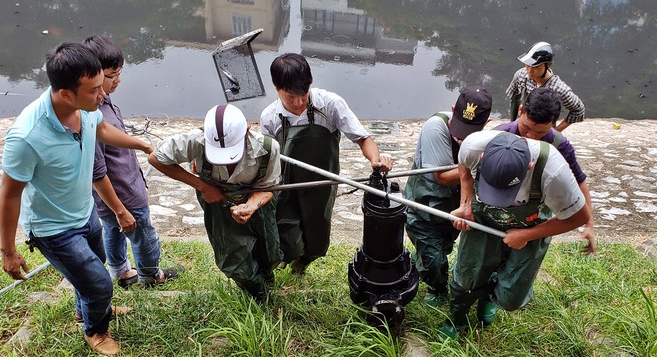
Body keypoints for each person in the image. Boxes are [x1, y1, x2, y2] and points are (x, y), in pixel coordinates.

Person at [0, 43, 154, 356]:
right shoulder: (27, 136)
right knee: (100, 284)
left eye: (103, 86)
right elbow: (9, 195)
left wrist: (138, 143)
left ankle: (86, 311)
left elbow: (103, 128)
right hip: (52, 228)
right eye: (95, 90)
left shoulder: (86, 111)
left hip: (85, 214)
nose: (103, 95)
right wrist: (8, 251)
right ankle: (95, 331)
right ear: (67, 94)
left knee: (94, 269)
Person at [441, 130, 590, 339]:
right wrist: (466, 206)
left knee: (512, 295)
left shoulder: (553, 172)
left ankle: (488, 299)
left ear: (528, 166)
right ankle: (457, 319)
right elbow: (464, 170)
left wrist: (527, 235)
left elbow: (579, 217)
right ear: (483, 158)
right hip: (483, 217)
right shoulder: (473, 147)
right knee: (468, 272)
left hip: (531, 224)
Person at [260, 53, 393, 274]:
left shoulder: (330, 104)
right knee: (287, 232)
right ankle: (287, 258)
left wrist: (376, 160)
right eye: (290, 96)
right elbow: (269, 158)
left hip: (321, 183)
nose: (299, 103)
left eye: (303, 95)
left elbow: (363, 138)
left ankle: (302, 264)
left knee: (317, 236)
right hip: (287, 184)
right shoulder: (270, 117)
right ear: (276, 88)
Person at [149, 104, 281, 302]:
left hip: (257, 199)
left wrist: (252, 205)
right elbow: (156, 158)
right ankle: (258, 294)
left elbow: (268, 187)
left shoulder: (268, 148)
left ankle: (266, 276)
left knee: (270, 252)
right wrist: (202, 186)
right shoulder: (195, 140)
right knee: (235, 260)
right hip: (218, 203)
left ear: (246, 131)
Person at [83, 35, 182, 290]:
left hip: (112, 196)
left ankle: (120, 271)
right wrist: (120, 209)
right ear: (90, 75)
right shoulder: (90, 113)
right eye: (112, 74)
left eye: (119, 73)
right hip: (123, 194)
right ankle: (151, 276)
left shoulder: (101, 99)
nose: (118, 79)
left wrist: (142, 144)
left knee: (112, 232)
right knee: (143, 235)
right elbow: (96, 172)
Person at [404, 86, 492, 306]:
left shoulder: (488, 137)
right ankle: (437, 288)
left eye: (471, 132)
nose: (462, 138)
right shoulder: (436, 127)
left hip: (452, 208)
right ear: (453, 110)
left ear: (486, 124)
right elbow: (442, 176)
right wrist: (480, 164)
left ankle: (427, 262)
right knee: (433, 261)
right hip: (424, 205)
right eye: (460, 129)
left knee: (442, 248)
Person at [496, 88, 595, 253]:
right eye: (526, 128)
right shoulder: (498, 136)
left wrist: (589, 225)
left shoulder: (560, 146)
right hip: (496, 211)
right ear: (520, 110)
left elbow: (579, 181)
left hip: (535, 220)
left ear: (553, 124)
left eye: (540, 133)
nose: (531, 137)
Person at [506, 41, 585, 132]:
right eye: (528, 65)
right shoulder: (520, 75)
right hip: (521, 127)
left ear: (548, 65)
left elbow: (578, 110)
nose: (530, 71)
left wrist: (555, 133)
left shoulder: (558, 88)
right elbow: (513, 98)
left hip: (542, 132)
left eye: (536, 67)